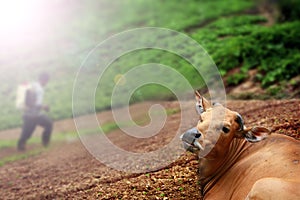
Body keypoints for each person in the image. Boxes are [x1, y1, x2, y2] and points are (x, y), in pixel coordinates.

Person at [17, 72, 53, 151]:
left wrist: (41, 106)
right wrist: (44, 106)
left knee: (30, 129)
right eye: (46, 81)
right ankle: (44, 143)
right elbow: (34, 103)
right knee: (47, 124)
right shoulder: (39, 88)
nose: (46, 83)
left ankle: (22, 144)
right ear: (44, 80)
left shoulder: (34, 85)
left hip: (31, 114)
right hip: (32, 114)